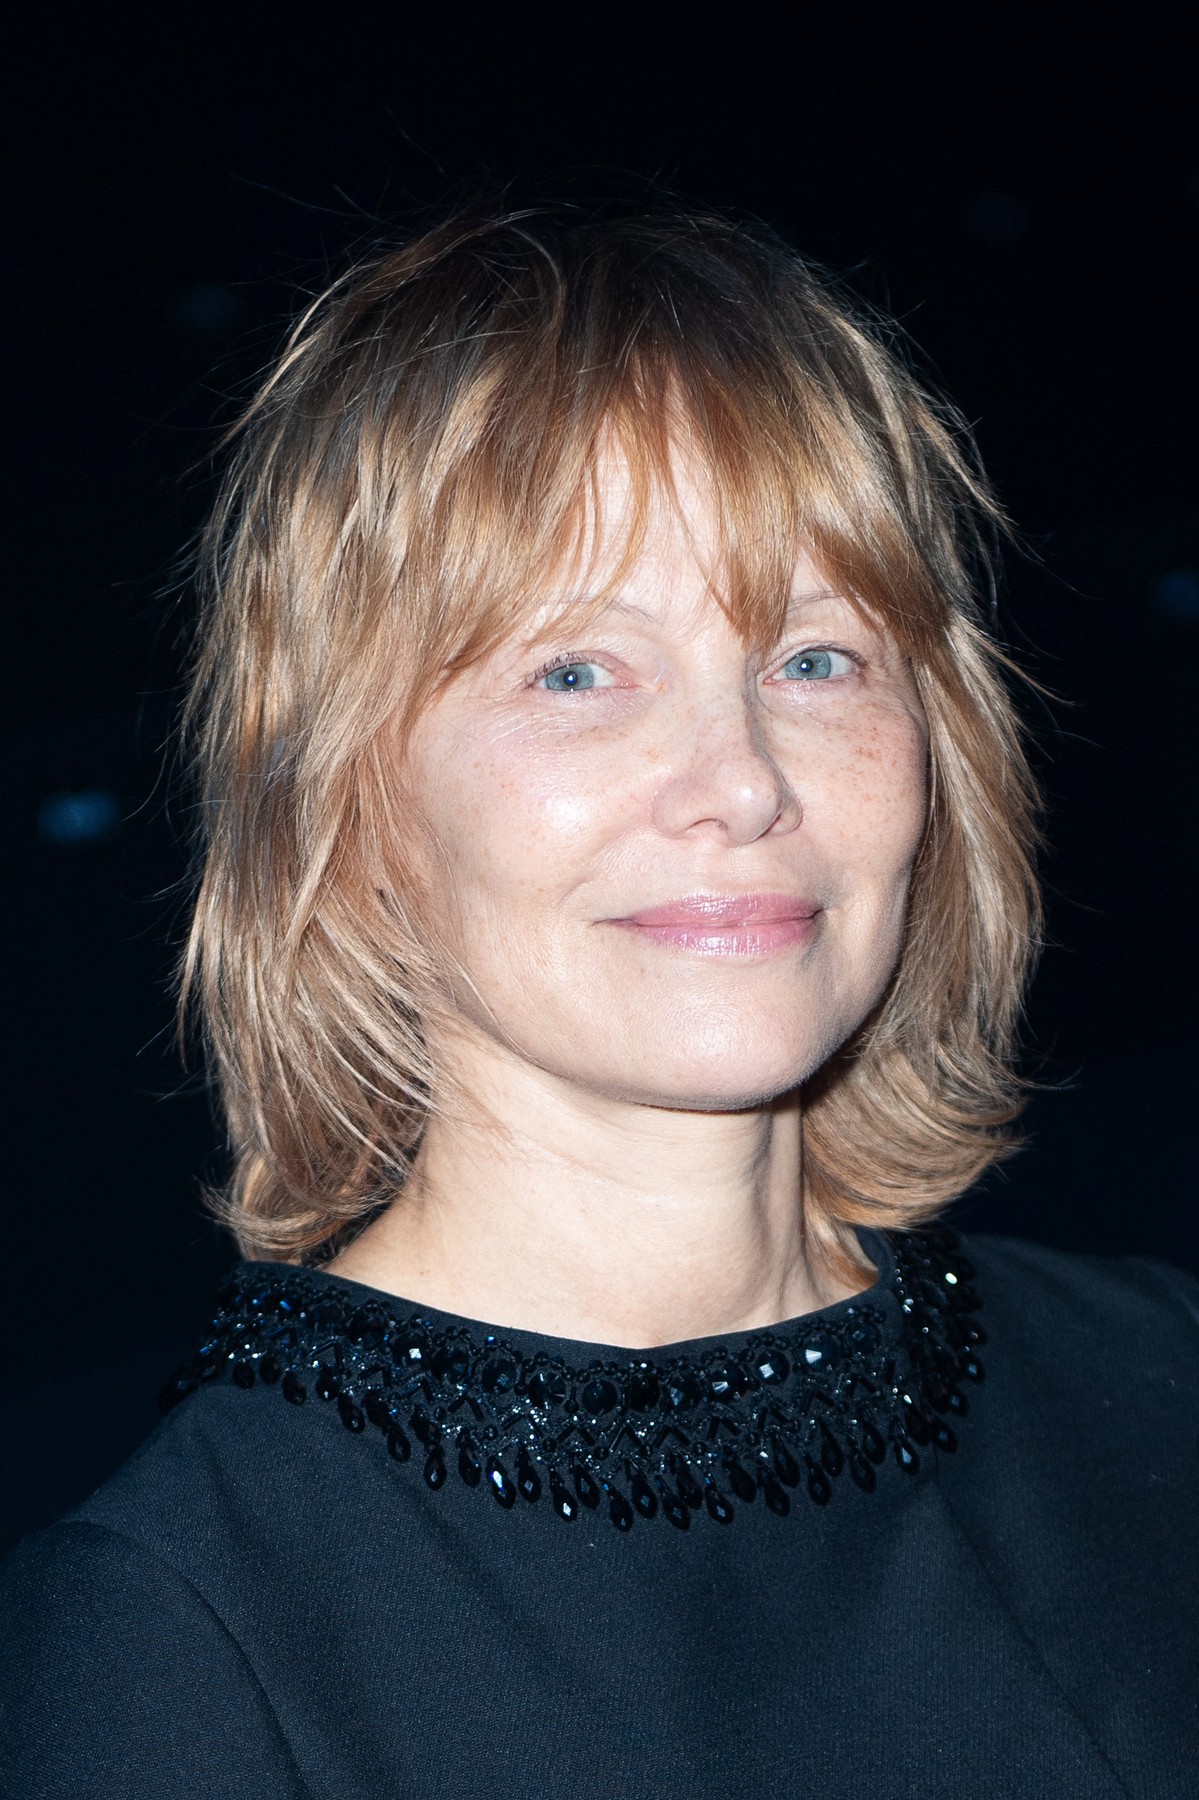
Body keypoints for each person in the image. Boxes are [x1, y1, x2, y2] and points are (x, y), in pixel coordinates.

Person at [2, 200, 1196, 1799]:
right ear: (347, 806)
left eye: (816, 658)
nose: (743, 781)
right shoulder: (174, 1648)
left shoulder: (1160, 1376)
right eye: (577, 672)